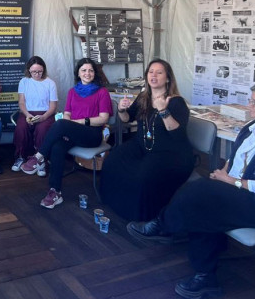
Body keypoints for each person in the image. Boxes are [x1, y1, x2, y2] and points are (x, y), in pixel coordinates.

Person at [128, 83, 255, 299]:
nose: (249, 105)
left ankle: (164, 226)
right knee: (204, 205)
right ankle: (204, 276)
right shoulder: (253, 128)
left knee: (203, 195)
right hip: (253, 198)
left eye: (254, 102)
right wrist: (226, 173)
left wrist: (231, 181)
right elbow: (238, 162)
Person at [99, 59, 194, 221]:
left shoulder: (176, 102)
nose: (154, 76)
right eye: (151, 72)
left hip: (171, 152)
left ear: (168, 78)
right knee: (113, 160)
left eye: (159, 72)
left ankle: (142, 215)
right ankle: (114, 203)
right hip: (143, 145)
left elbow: (177, 133)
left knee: (142, 175)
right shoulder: (144, 97)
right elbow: (127, 118)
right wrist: (121, 109)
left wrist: (163, 110)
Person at [22, 58, 112, 209]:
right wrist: (69, 126)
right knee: (57, 146)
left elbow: (104, 118)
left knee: (61, 124)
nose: (87, 73)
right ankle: (55, 192)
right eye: (83, 70)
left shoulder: (102, 92)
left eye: (90, 70)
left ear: (95, 73)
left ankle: (39, 157)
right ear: (78, 72)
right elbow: (67, 114)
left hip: (92, 135)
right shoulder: (73, 91)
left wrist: (78, 123)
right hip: (73, 131)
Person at [12, 56, 58, 172]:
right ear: (29, 70)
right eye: (34, 72)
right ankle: (21, 157)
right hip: (28, 113)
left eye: (39, 71)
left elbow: (53, 106)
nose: (37, 74)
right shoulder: (24, 81)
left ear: (44, 70)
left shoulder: (50, 83)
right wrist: (27, 114)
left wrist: (44, 117)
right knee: (21, 128)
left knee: (42, 130)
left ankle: (40, 159)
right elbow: (21, 102)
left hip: (45, 113)